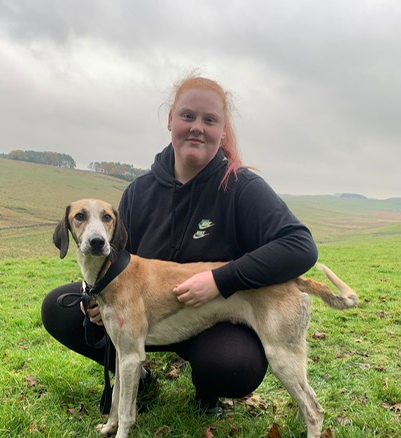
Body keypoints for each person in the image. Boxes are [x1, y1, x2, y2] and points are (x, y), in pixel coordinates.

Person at [41, 74, 318, 416]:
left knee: (234, 365)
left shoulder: (242, 187)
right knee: (58, 307)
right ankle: (138, 375)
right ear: (171, 120)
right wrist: (93, 295)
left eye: (209, 120)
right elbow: (116, 260)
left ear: (223, 130)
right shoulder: (140, 192)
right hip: (148, 314)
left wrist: (220, 280)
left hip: (215, 319)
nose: (197, 127)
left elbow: (301, 247)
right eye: (188, 116)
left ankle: (208, 391)